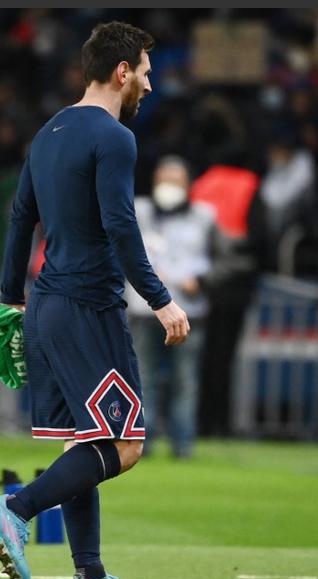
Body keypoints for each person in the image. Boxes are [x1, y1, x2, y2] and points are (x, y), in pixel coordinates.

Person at [0, 22, 189, 579]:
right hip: (88, 307)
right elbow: (121, 223)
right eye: (146, 70)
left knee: (83, 444)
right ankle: (15, 509)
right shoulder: (114, 137)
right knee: (125, 444)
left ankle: (89, 576)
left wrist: (10, 296)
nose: (150, 81)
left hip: (47, 301)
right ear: (123, 72)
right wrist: (160, 297)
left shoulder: (47, 132)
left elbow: (21, 218)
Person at [126, 155, 214, 459]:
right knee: (142, 378)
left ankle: (183, 445)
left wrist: (203, 279)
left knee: (185, 382)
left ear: (189, 185)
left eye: (175, 182)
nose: (168, 187)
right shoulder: (138, 211)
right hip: (144, 309)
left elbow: (223, 260)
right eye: (163, 180)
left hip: (189, 311)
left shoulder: (205, 217)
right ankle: (142, 443)